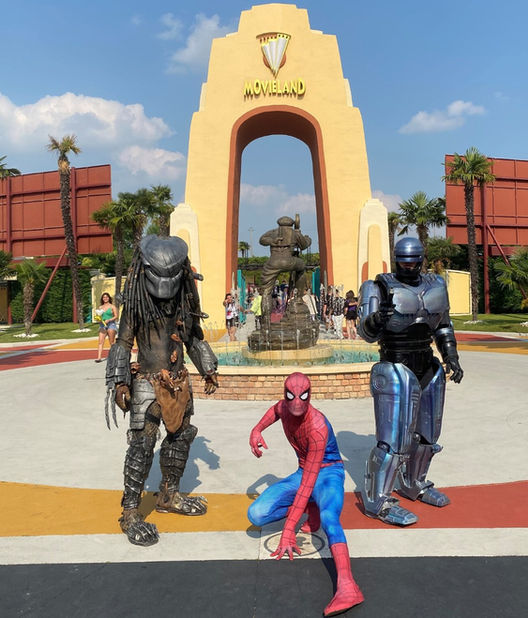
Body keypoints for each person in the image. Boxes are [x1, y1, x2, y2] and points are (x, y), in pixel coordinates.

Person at [105, 235, 219, 546]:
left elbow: (192, 337)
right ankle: (130, 511)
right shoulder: (136, 303)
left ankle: (169, 494)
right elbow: (123, 342)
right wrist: (120, 381)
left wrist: (208, 368)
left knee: (180, 436)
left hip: (178, 381)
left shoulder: (185, 300)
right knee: (142, 445)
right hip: (147, 382)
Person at [357, 237, 463, 526]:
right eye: (404, 262)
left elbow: (443, 325)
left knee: (428, 435)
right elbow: (366, 333)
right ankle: (378, 500)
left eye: (413, 262)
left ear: (421, 260)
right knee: (393, 441)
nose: (409, 267)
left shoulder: (435, 284)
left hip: (426, 363)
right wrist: (378, 318)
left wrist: (451, 356)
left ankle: (414, 482)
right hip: (395, 363)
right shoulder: (378, 286)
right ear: (396, 260)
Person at [248, 372, 364, 616]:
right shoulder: (283, 407)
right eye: (291, 398)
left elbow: (308, 484)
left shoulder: (317, 427)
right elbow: (274, 411)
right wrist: (256, 430)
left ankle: (348, 586)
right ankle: (312, 506)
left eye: (302, 397)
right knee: (256, 514)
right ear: (286, 396)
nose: (296, 403)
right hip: (304, 471)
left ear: (309, 396)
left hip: (328, 473)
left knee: (330, 518)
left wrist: (289, 530)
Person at [95, 293, 118, 362]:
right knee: (100, 341)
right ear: (102, 299)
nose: (105, 298)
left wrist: (109, 320)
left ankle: (114, 356)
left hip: (111, 325)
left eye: (106, 297)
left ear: (109, 298)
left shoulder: (112, 306)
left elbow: (116, 316)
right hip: (102, 325)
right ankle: (99, 358)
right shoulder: (100, 307)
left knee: (111, 342)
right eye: (104, 297)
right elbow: (98, 316)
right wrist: (98, 319)